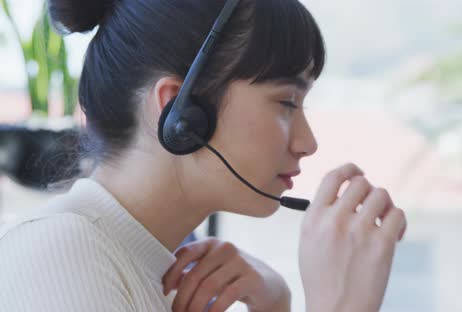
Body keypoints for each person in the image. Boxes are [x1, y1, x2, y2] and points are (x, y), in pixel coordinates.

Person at [0, 0, 407, 311]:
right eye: (286, 102)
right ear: (180, 110)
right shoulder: (58, 252)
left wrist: (276, 304)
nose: (307, 142)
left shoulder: (157, 268)